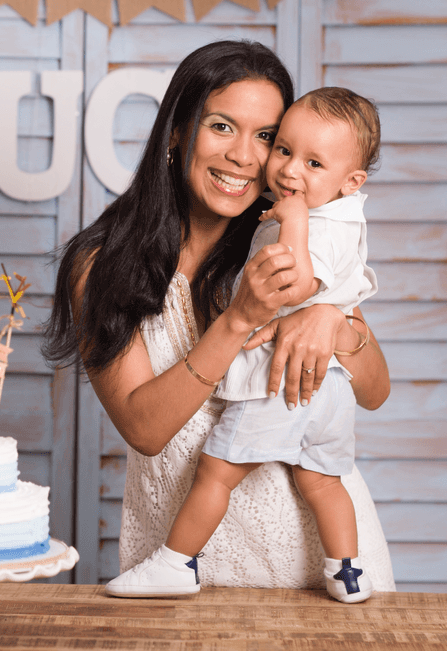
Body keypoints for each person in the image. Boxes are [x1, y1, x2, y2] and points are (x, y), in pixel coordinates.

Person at [43, 40, 394, 594]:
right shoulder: (104, 264)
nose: (244, 156)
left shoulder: (289, 239)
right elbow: (145, 429)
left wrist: (334, 322)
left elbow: (374, 393)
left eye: (266, 136)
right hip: (184, 573)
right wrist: (237, 320)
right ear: (178, 131)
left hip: (325, 569)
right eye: (222, 127)